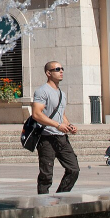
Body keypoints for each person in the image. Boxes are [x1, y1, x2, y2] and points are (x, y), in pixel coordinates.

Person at [31, 60, 79, 193]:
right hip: (46, 138)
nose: (61, 71)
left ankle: (61, 197)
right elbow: (36, 114)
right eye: (57, 69)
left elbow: (60, 113)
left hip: (61, 138)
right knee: (46, 175)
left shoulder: (61, 94)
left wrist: (69, 125)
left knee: (74, 169)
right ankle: (43, 205)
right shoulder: (42, 91)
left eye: (62, 69)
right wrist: (57, 125)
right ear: (48, 73)